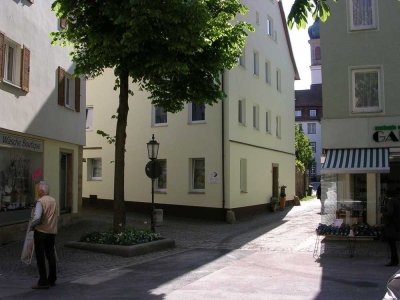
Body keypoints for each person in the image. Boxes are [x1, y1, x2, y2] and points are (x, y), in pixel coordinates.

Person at [30, 181, 58, 289]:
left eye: (38, 190)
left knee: (40, 257)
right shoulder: (53, 200)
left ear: (41, 191)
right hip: (52, 231)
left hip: (41, 232)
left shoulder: (40, 201)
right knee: (51, 255)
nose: (37, 192)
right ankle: (52, 278)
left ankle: (43, 281)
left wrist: (32, 226)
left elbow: (37, 218)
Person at [383, 195, 400, 267]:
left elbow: (390, 212)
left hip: (391, 226)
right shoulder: (397, 201)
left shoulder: (391, 201)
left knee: (392, 244)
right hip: (397, 225)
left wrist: (384, 214)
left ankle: (394, 261)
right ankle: (395, 260)